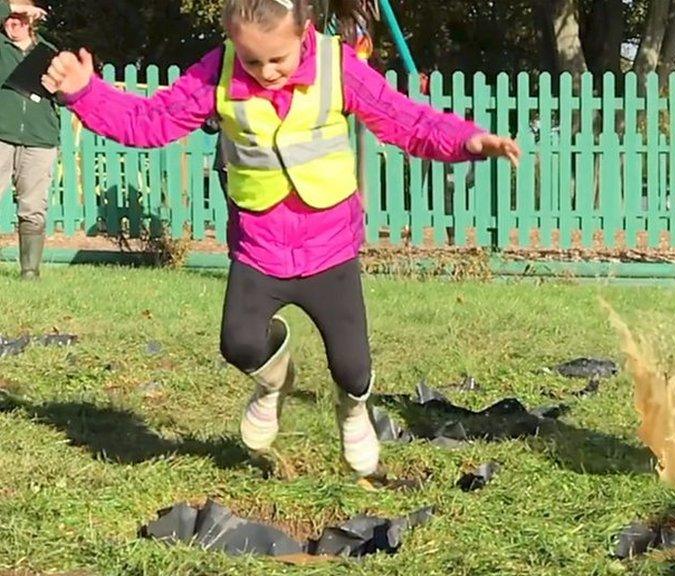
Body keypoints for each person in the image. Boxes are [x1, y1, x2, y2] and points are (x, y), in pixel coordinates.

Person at [42, 0, 520, 478]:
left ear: (304, 32)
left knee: (353, 370)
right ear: (233, 43)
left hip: (330, 249)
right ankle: (274, 384)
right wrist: (86, 94)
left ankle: (353, 411)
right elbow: (151, 121)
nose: (266, 72)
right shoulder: (219, 73)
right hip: (260, 248)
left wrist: (467, 141)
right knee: (240, 344)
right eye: (252, 60)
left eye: (278, 59)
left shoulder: (338, 67)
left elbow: (405, 120)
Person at [1, 0, 58, 279]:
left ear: (32, 22)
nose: (13, 22)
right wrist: (12, 5)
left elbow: (67, 95)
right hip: (1, 135)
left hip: (40, 138)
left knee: (33, 207)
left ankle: (30, 271)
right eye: (10, 17)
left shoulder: (49, 53)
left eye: (20, 18)